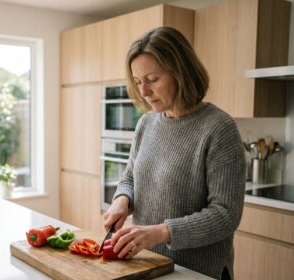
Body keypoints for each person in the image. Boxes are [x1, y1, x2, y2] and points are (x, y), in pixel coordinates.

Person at [103, 26, 245, 280]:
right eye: (137, 82)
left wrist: (160, 232)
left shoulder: (218, 128)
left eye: (152, 80)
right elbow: (130, 179)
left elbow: (225, 215)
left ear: (181, 72)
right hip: (147, 264)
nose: (144, 92)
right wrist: (121, 200)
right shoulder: (146, 123)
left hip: (197, 272)